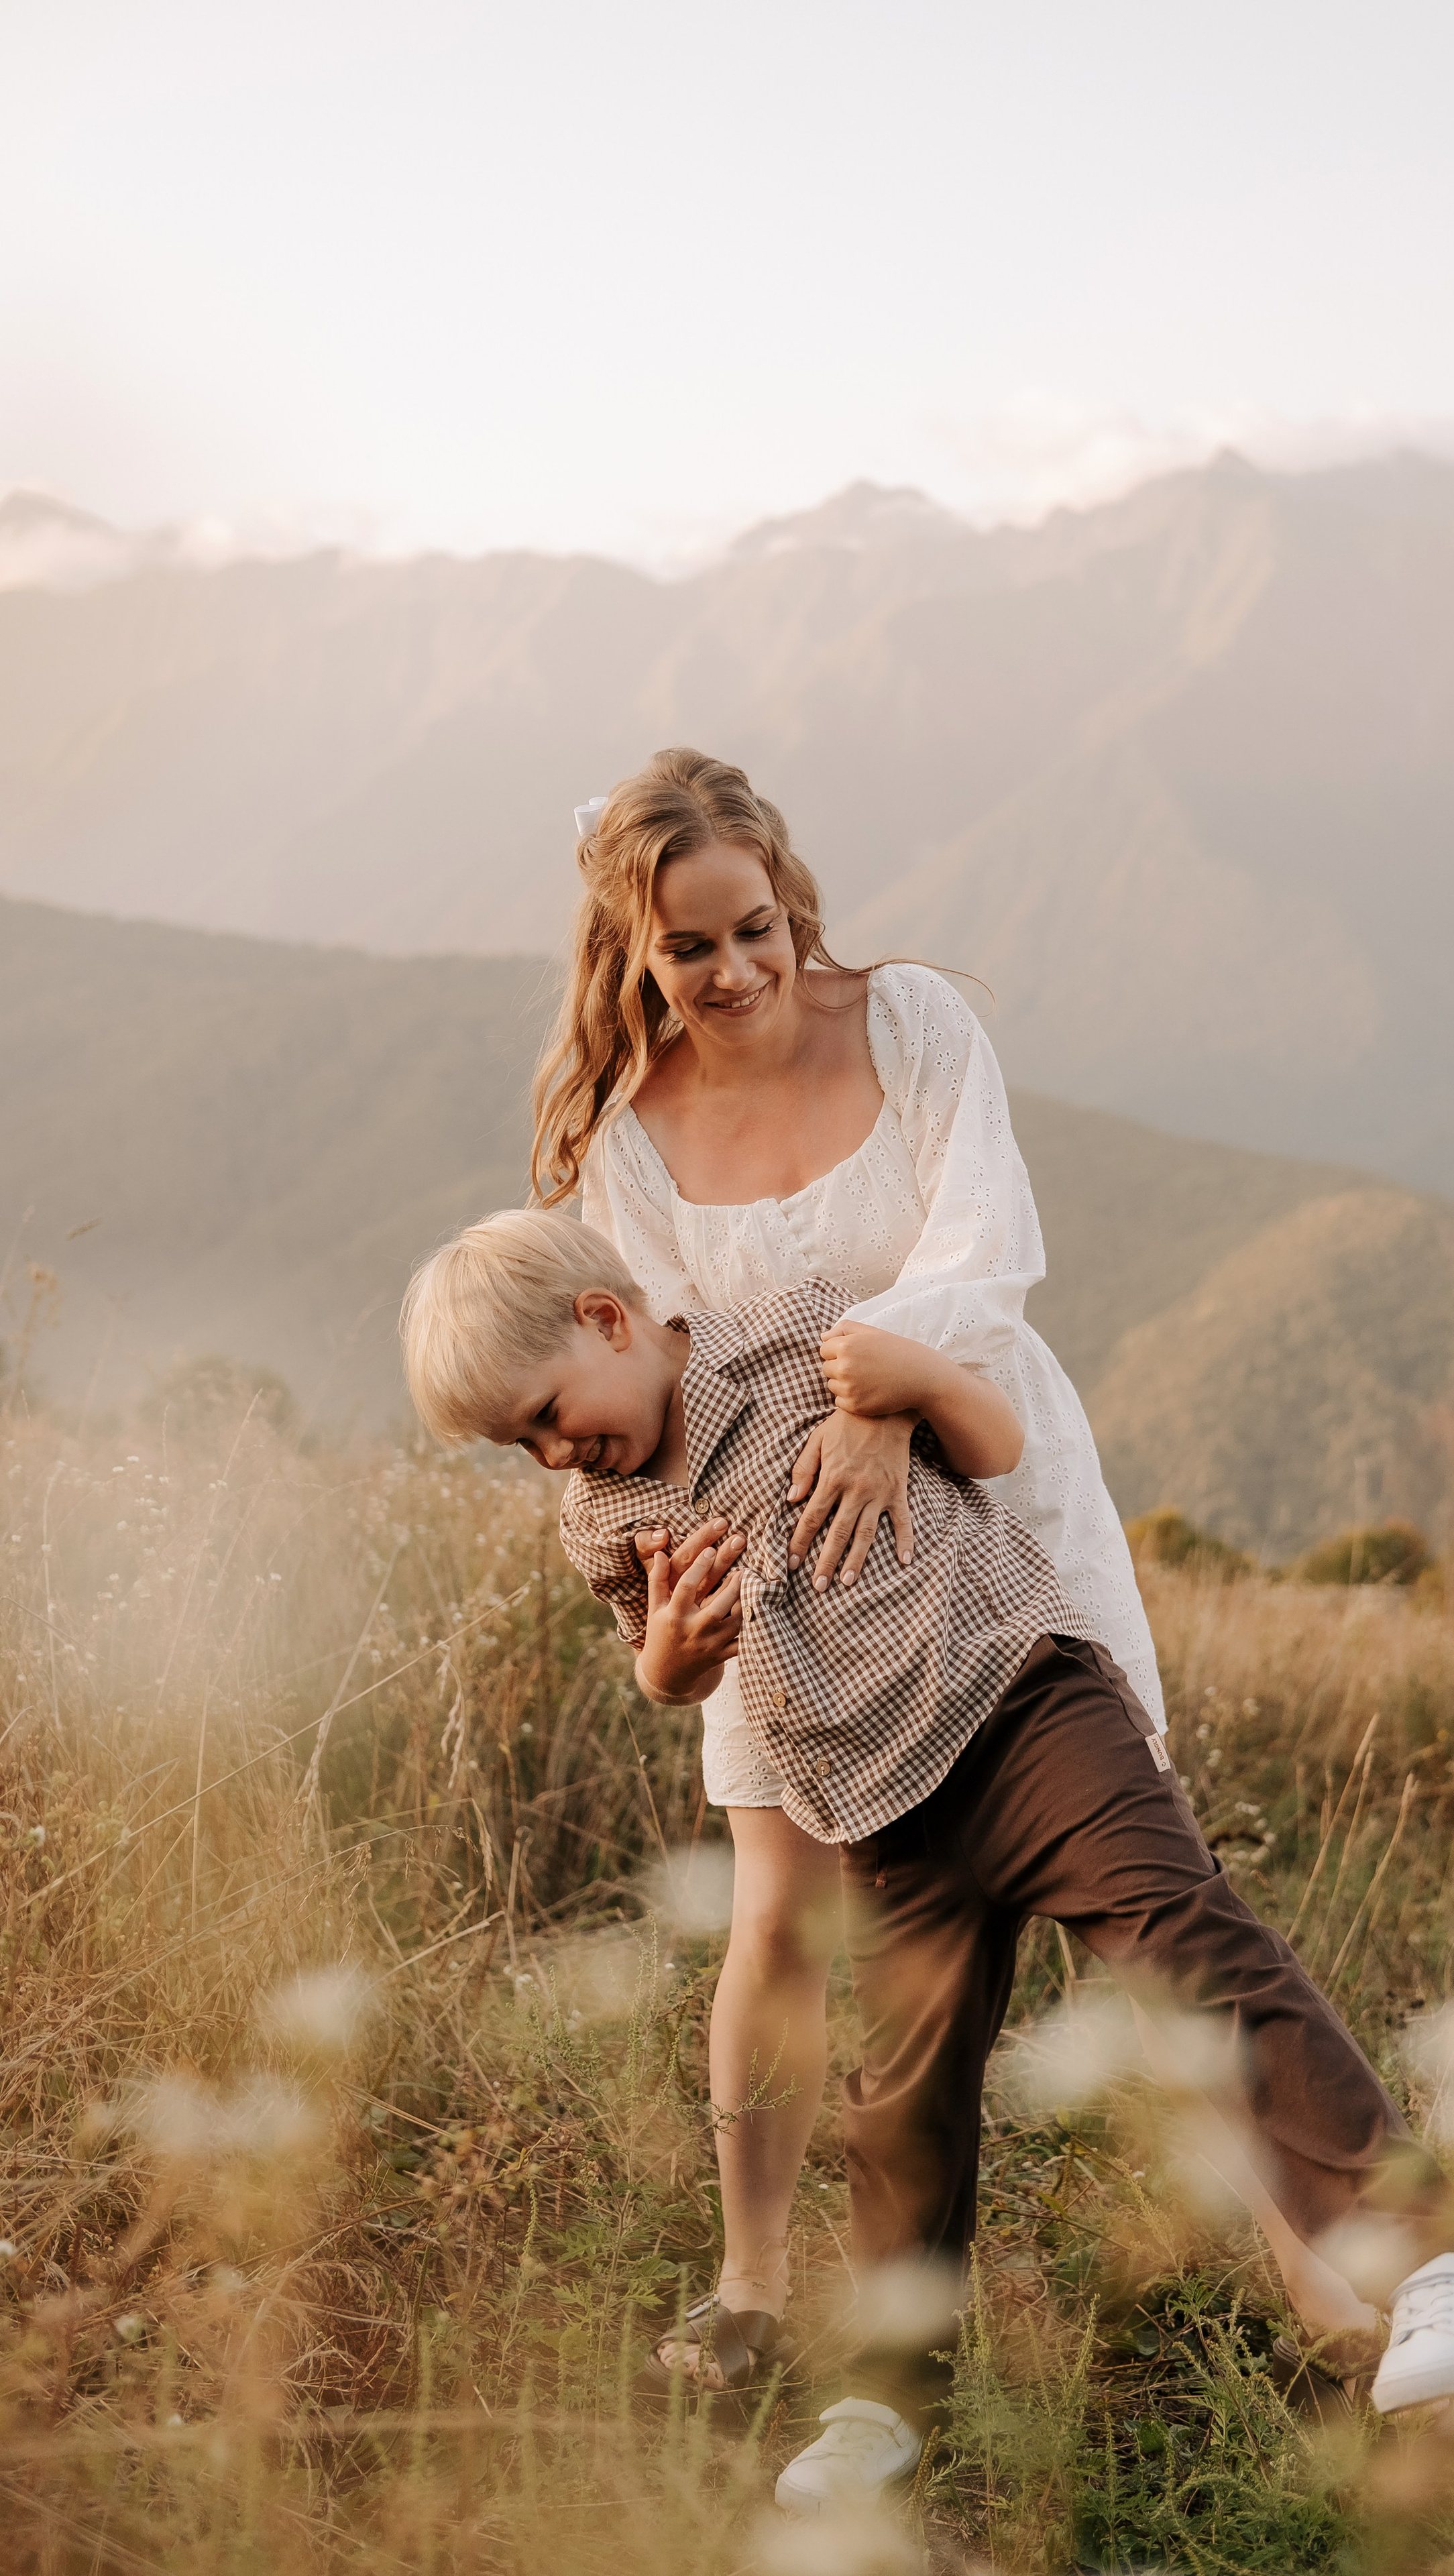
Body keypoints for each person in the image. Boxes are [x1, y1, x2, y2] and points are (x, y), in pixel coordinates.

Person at [398, 1215, 1454, 2520]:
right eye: (519, 1445)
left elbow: (992, 1446)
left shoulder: (797, 1337)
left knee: (1185, 1943)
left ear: (604, 1320)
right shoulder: (603, 1515)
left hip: (1022, 1704)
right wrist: (671, 1651)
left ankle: (1441, 2260)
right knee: (903, 2095)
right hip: (877, 1803)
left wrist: (918, 1383)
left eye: (547, 1413)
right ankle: (884, 2398)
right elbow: (664, 1670)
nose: (551, 1451)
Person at [526, 746, 1182, 2400]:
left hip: (982, 1471)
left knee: (1115, 1856)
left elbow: (988, 1243)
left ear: (784, 890)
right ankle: (755, 2288)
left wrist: (883, 1397)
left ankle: (1302, 2249)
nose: (732, 971)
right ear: (633, 950)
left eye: (751, 927)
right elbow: (668, 1376)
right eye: (688, 950)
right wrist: (687, 1618)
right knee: (774, 1912)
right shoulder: (627, 1143)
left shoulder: (909, 1026)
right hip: (782, 1553)